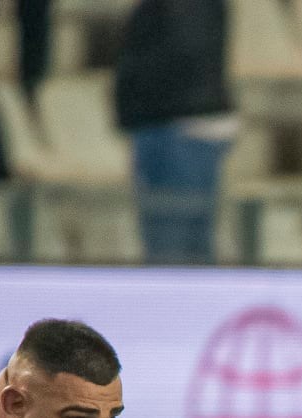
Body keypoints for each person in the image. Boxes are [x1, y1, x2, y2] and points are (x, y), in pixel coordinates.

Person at [114, 0, 233, 264]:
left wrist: (134, 101)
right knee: (188, 244)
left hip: (174, 128)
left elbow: (182, 54)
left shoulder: (180, 8)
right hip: (178, 124)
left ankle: (176, 304)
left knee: (172, 249)